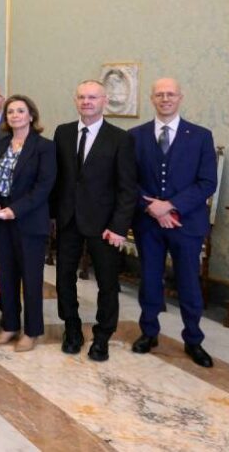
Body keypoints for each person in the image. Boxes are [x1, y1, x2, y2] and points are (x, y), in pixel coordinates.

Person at [129, 78, 217, 368]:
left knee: (189, 282)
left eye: (170, 94)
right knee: (150, 279)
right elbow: (128, 181)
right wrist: (153, 207)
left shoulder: (201, 136)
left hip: (187, 224)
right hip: (148, 223)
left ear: (180, 98)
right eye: (159, 94)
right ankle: (149, 332)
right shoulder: (135, 136)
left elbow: (207, 183)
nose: (165, 98)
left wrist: (171, 205)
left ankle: (193, 339)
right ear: (152, 99)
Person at [52, 80, 137, 362]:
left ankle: (102, 337)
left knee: (107, 283)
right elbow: (59, 179)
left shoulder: (120, 138)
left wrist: (118, 227)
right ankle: (72, 328)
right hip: (67, 221)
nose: (86, 102)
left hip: (104, 225)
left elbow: (127, 188)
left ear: (104, 101)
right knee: (64, 278)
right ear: (75, 101)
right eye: (81, 97)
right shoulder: (63, 133)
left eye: (92, 97)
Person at [0, 96, 56, 352]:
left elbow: (44, 187)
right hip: (0, 222)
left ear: (31, 116)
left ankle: (32, 330)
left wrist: (14, 210)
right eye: (11, 111)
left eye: (20, 111)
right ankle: (9, 325)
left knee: (32, 279)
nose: (15, 115)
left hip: (28, 222)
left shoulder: (44, 147)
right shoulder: (1, 144)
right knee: (6, 277)